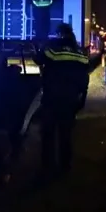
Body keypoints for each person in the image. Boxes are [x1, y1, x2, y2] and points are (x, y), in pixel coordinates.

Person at [32, 23, 90, 175]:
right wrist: (81, 99)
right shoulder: (81, 53)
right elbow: (85, 77)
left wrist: (39, 46)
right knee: (66, 135)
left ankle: (47, 167)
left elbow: (38, 59)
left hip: (52, 98)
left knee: (48, 134)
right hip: (71, 100)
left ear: (59, 34)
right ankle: (65, 167)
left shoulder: (53, 49)